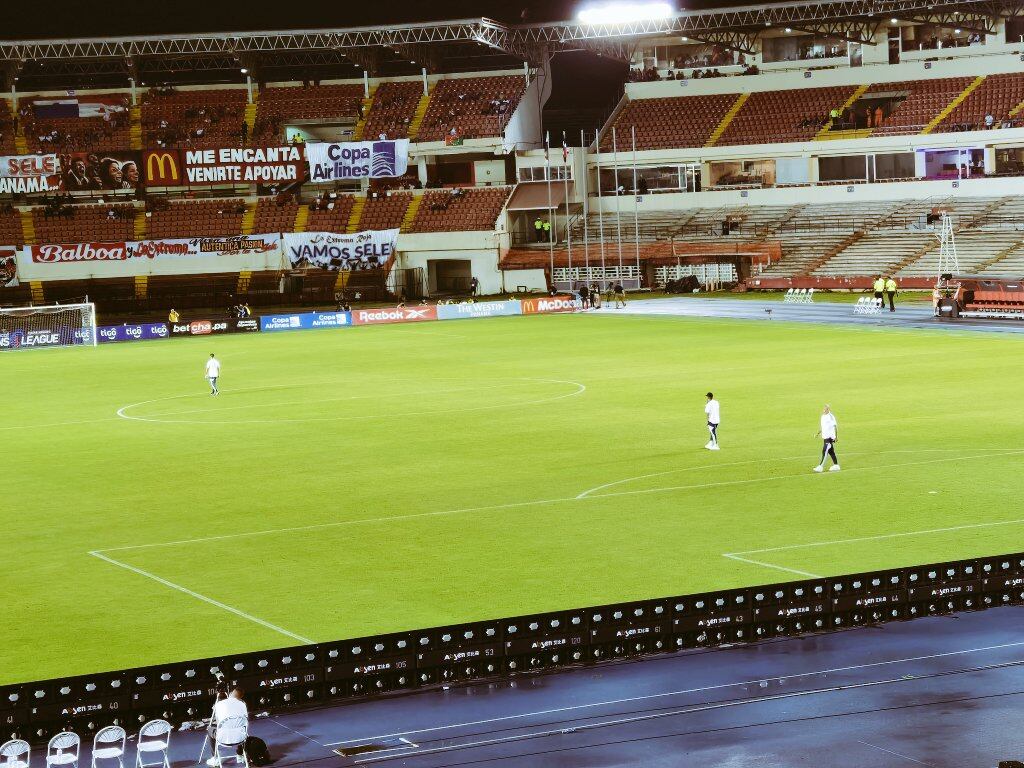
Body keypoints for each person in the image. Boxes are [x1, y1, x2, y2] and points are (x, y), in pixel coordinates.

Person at [206, 687, 248, 767]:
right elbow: (244, 721)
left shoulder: (219, 704)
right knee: (242, 728)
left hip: (222, 738)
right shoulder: (243, 705)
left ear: (231, 693)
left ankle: (215, 758)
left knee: (210, 728)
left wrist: (216, 709)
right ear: (240, 697)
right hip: (240, 738)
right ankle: (240, 755)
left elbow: (218, 723)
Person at [813, 405, 840, 473]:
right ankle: (836, 465)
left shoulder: (830, 417)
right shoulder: (823, 416)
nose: (824, 410)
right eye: (824, 409)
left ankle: (820, 467)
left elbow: (835, 427)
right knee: (831, 452)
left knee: (824, 451)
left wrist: (836, 437)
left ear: (828, 410)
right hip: (825, 438)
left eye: (826, 409)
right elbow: (823, 427)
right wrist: (818, 433)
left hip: (829, 438)